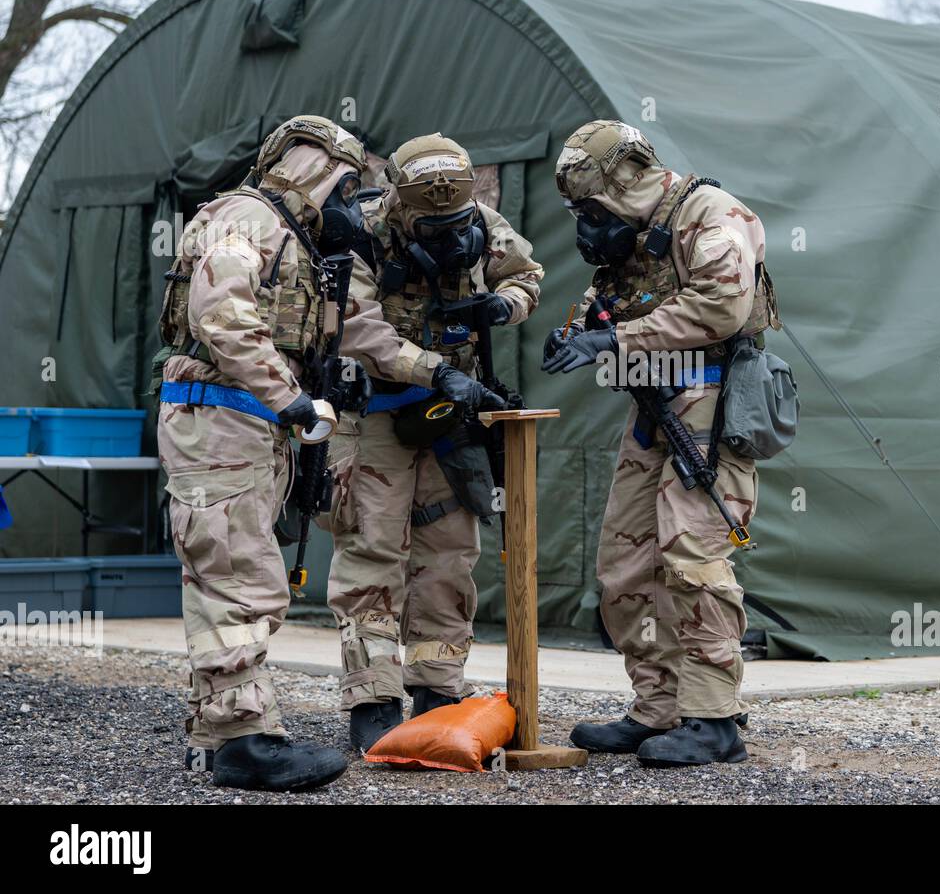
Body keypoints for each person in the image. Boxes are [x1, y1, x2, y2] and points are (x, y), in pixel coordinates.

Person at [543, 119, 779, 767]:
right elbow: (607, 301)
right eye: (578, 211)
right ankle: (659, 706)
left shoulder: (709, 213)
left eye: (588, 205)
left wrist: (616, 341)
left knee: (693, 558)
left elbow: (721, 305)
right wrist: (578, 332)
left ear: (621, 178)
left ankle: (713, 717)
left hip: (710, 406)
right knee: (625, 566)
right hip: (652, 407)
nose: (586, 221)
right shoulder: (629, 232)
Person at [156, 114, 373, 791]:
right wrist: (294, 401)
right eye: (345, 185)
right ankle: (247, 739)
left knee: (220, 574)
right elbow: (221, 315)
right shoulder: (247, 219)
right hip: (228, 422)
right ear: (315, 167)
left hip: (240, 424)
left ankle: (213, 732)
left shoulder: (283, 229)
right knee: (241, 580)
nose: (348, 202)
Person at [323, 133, 543, 751]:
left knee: (448, 554)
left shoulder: (482, 221)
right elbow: (356, 328)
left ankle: (437, 690)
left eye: (455, 219)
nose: (447, 231)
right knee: (372, 555)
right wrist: (433, 369)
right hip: (374, 415)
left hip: (452, 418)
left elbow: (528, 274)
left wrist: (504, 305)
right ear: (397, 200)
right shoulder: (355, 232)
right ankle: (373, 698)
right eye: (430, 222)